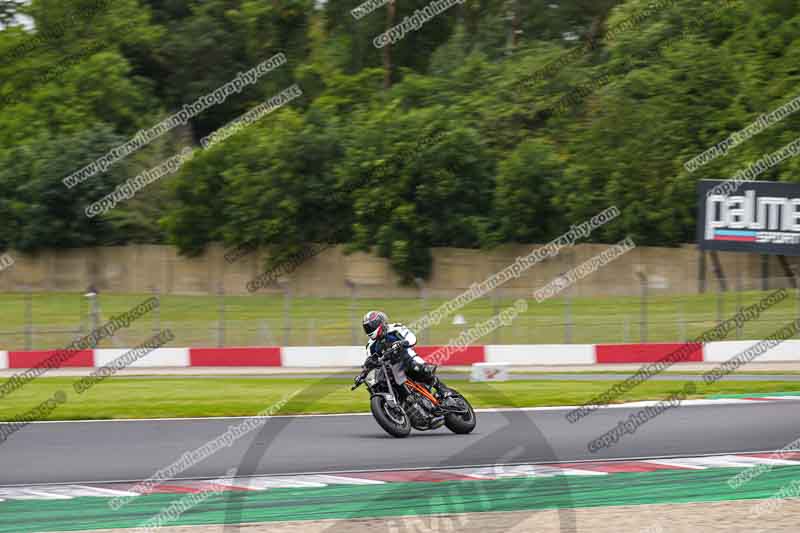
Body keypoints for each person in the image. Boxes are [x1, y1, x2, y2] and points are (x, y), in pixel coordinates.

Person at [361, 310, 449, 398]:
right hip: (389, 369)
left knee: (417, 368)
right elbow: (370, 360)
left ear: (379, 323)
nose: (369, 330)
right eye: (367, 328)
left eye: (371, 327)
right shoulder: (370, 345)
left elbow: (412, 338)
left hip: (406, 358)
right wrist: (364, 372)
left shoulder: (395, 328)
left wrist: (402, 343)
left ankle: (441, 388)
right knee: (377, 383)